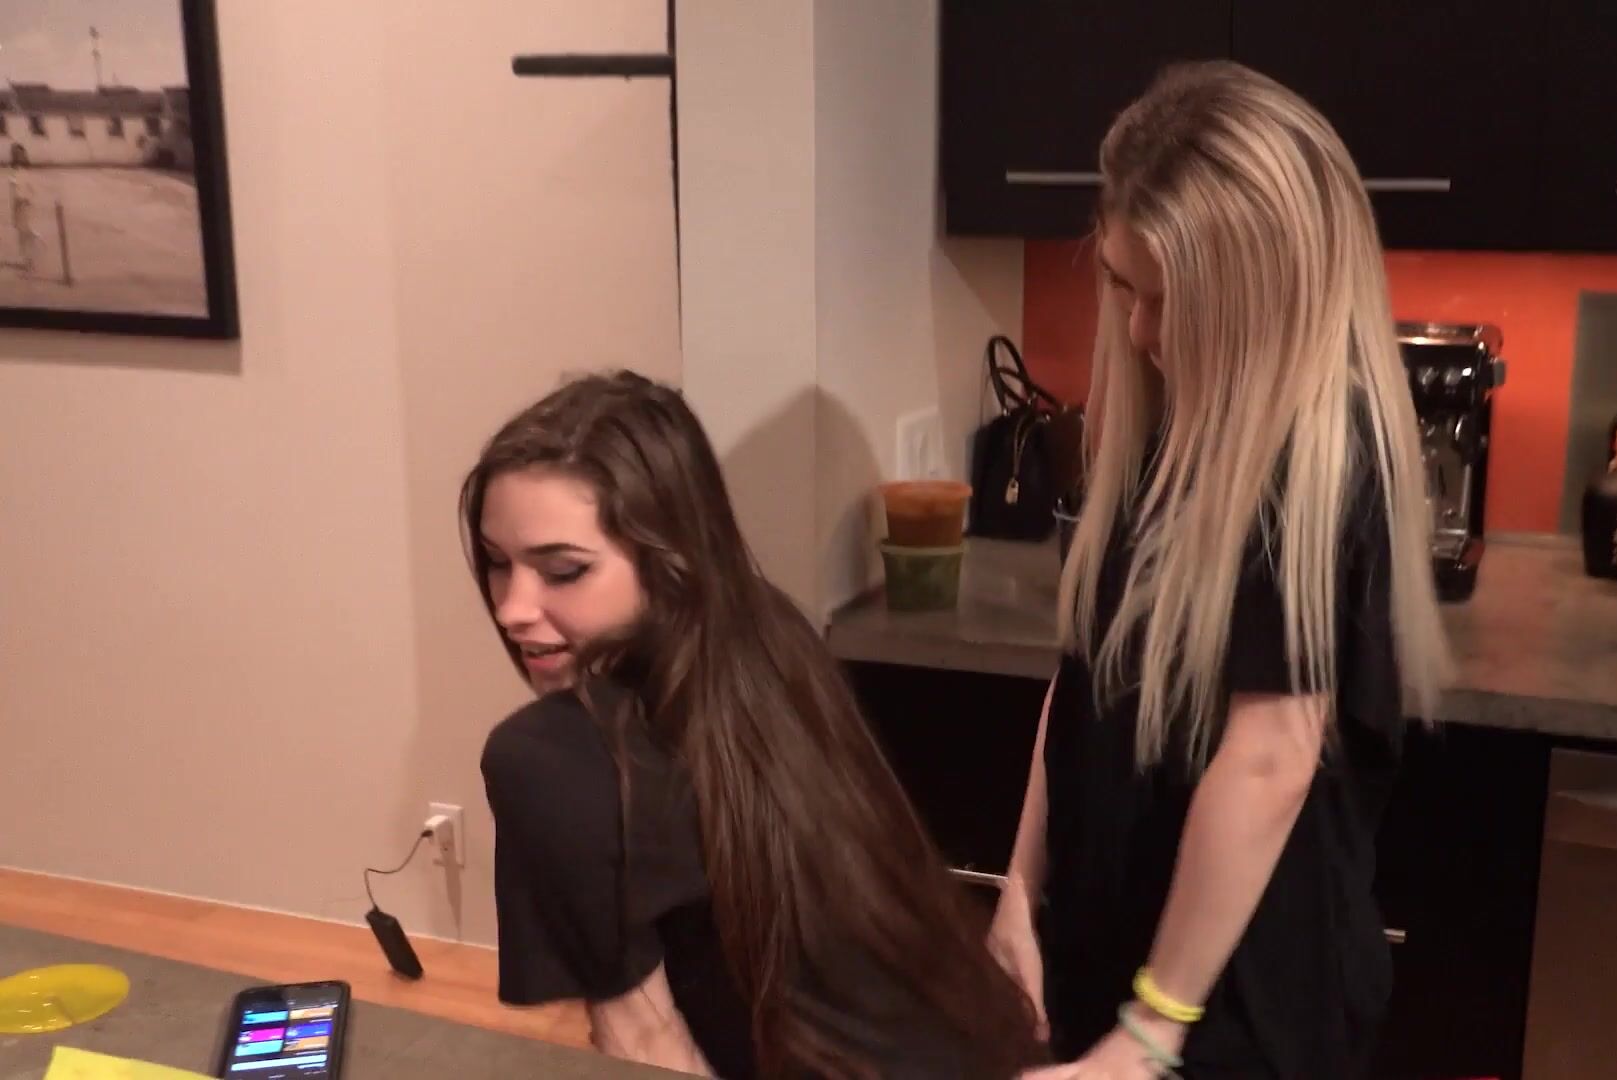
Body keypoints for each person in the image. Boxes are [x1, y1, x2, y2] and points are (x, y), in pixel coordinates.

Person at [989, 62, 1453, 1079]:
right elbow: (1086, 670)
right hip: (1121, 967)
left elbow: (1271, 756)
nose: (1140, 333)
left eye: (1172, 303)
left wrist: (1149, 1033)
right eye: (1123, 287)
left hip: (1240, 1013)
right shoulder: (1169, 421)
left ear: (1262, 299)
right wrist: (1021, 888)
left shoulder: (1320, 457)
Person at [465, 371, 1045, 1078]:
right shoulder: (766, 634)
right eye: (497, 563)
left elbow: (648, 1049)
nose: (512, 608)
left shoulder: (548, 760)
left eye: (563, 571)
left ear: (669, 559)